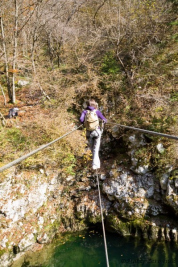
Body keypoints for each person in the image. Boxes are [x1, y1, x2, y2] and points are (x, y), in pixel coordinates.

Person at [80, 99, 107, 170]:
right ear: (94, 104)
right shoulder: (96, 111)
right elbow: (104, 119)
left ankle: (96, 164)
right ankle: (95, 165)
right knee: (96, 149)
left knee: (92, 149)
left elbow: (81, 120)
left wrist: (85, 123)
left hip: (89, 133)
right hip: (97, 132)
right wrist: (103, 121)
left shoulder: (85, 111)